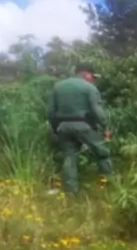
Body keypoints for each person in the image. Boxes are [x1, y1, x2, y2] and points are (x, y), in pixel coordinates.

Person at [47, 64, 112, 194]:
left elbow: (50, 112)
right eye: (92, 76)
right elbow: (97, 110)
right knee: (102, 153)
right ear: (85, 74)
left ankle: (71, 193)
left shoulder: (58, 87)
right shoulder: (89, 88)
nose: (93, 79)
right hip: (84, 126)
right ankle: (110, 185)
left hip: (63, 127)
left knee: (69, 158)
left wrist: (55, 129)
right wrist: (106, 127)